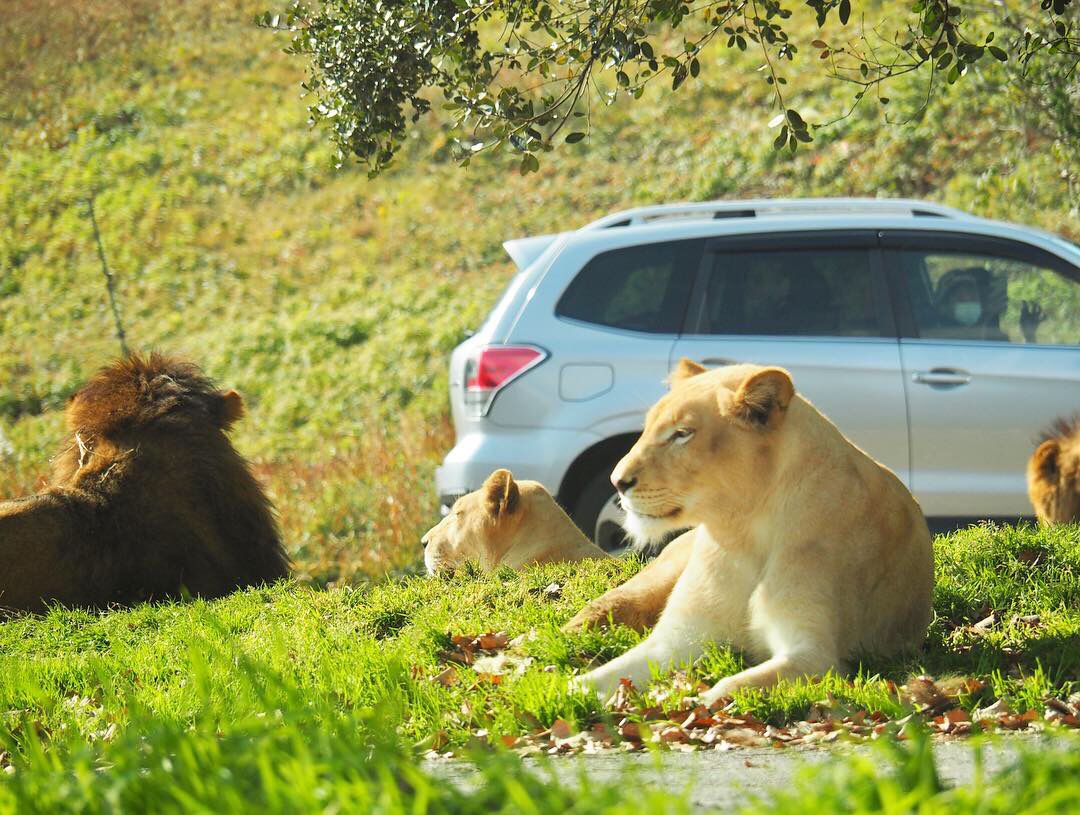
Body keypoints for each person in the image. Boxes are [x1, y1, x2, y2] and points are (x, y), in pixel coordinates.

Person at [934, 267, 1008, 341]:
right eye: (960, 299)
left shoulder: (998, 338)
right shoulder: (933, 336)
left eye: (973, 297)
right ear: (943, 306)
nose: (967, 299)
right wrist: (984, 318)